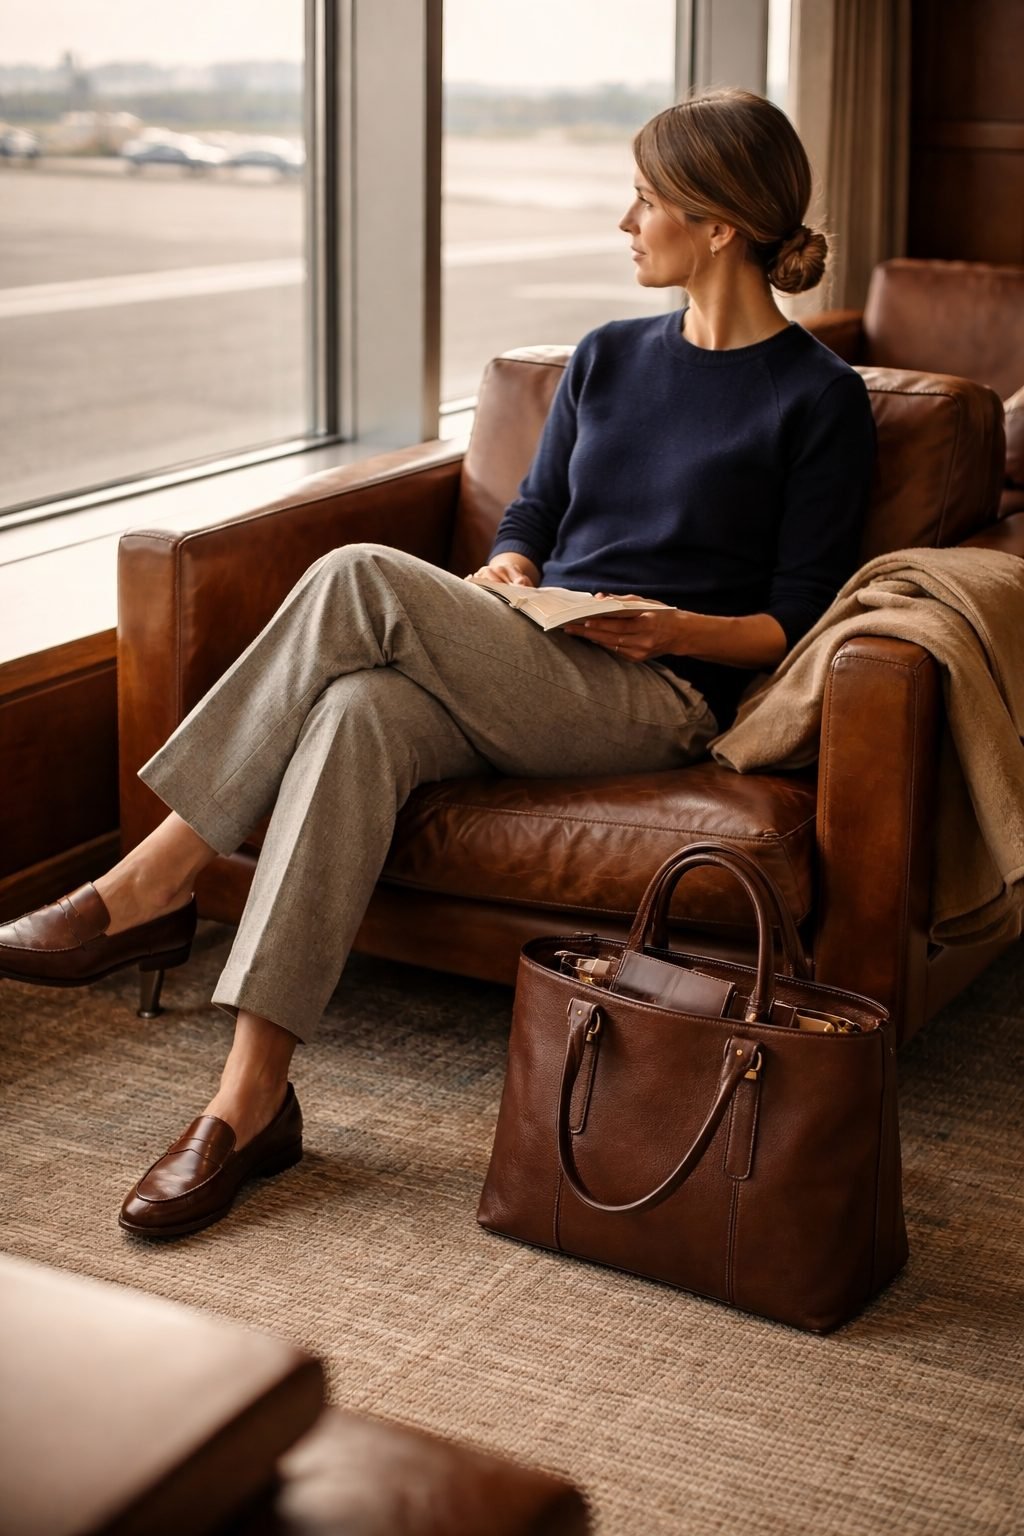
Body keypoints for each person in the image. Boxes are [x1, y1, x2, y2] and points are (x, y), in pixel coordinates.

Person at [0, 88, 876, 1239]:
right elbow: (532, 515)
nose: (626, 220)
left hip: (655, 692)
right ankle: (249, 1102)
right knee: (360, 709)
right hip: (537, 650)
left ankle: (151, 880)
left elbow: (793, 621)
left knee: (360, 576)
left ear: (718, 223)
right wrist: (511, 571)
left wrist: (668, 629)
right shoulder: (607, 358)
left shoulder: (819, 400)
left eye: (647, 199)